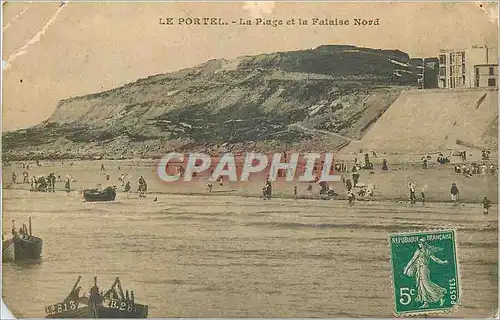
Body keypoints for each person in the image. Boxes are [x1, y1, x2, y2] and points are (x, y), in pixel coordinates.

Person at [404, 238, 448, 308]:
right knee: (422, 286)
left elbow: (435, 259)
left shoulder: (425, 251)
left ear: (424, 244)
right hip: (421, 269)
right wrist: (406, 269)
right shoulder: (421, 251)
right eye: (420, 243)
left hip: (423, 269)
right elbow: (412, 261)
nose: (422, 244)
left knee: (426, 285)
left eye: (423, 243)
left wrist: (442, 262)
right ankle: (426, 302)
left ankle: (440, 296)